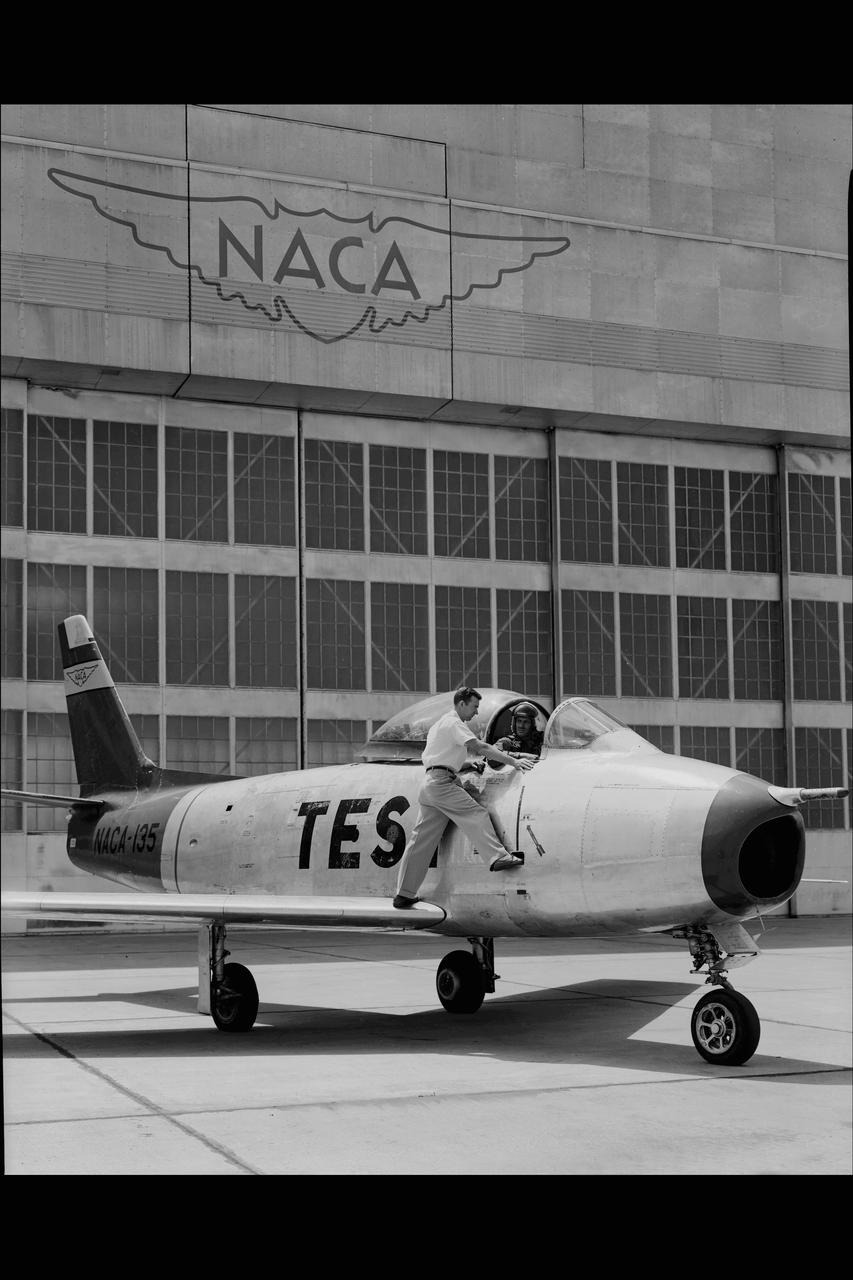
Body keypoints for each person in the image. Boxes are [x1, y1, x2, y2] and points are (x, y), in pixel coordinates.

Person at [393, 687, 535, 908]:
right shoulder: (454, 723)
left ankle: (404, 893)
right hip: (443, 784)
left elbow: (438, 758)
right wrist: (514, 762)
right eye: (474, 706)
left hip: (431, 783)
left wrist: (467, 764)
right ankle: (497, 857)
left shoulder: (439, 725)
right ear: (461, 704)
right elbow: (479, 746)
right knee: (476, 813)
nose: (476, 713)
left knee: (420, 842)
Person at [487, 701, 544, 765]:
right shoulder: (507, 742)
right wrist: (520, 755)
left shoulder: (541, 739)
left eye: (526, 722)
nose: (521, 726)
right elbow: (491, 757)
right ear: (514, 723)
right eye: (519, 721)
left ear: (532, 725)